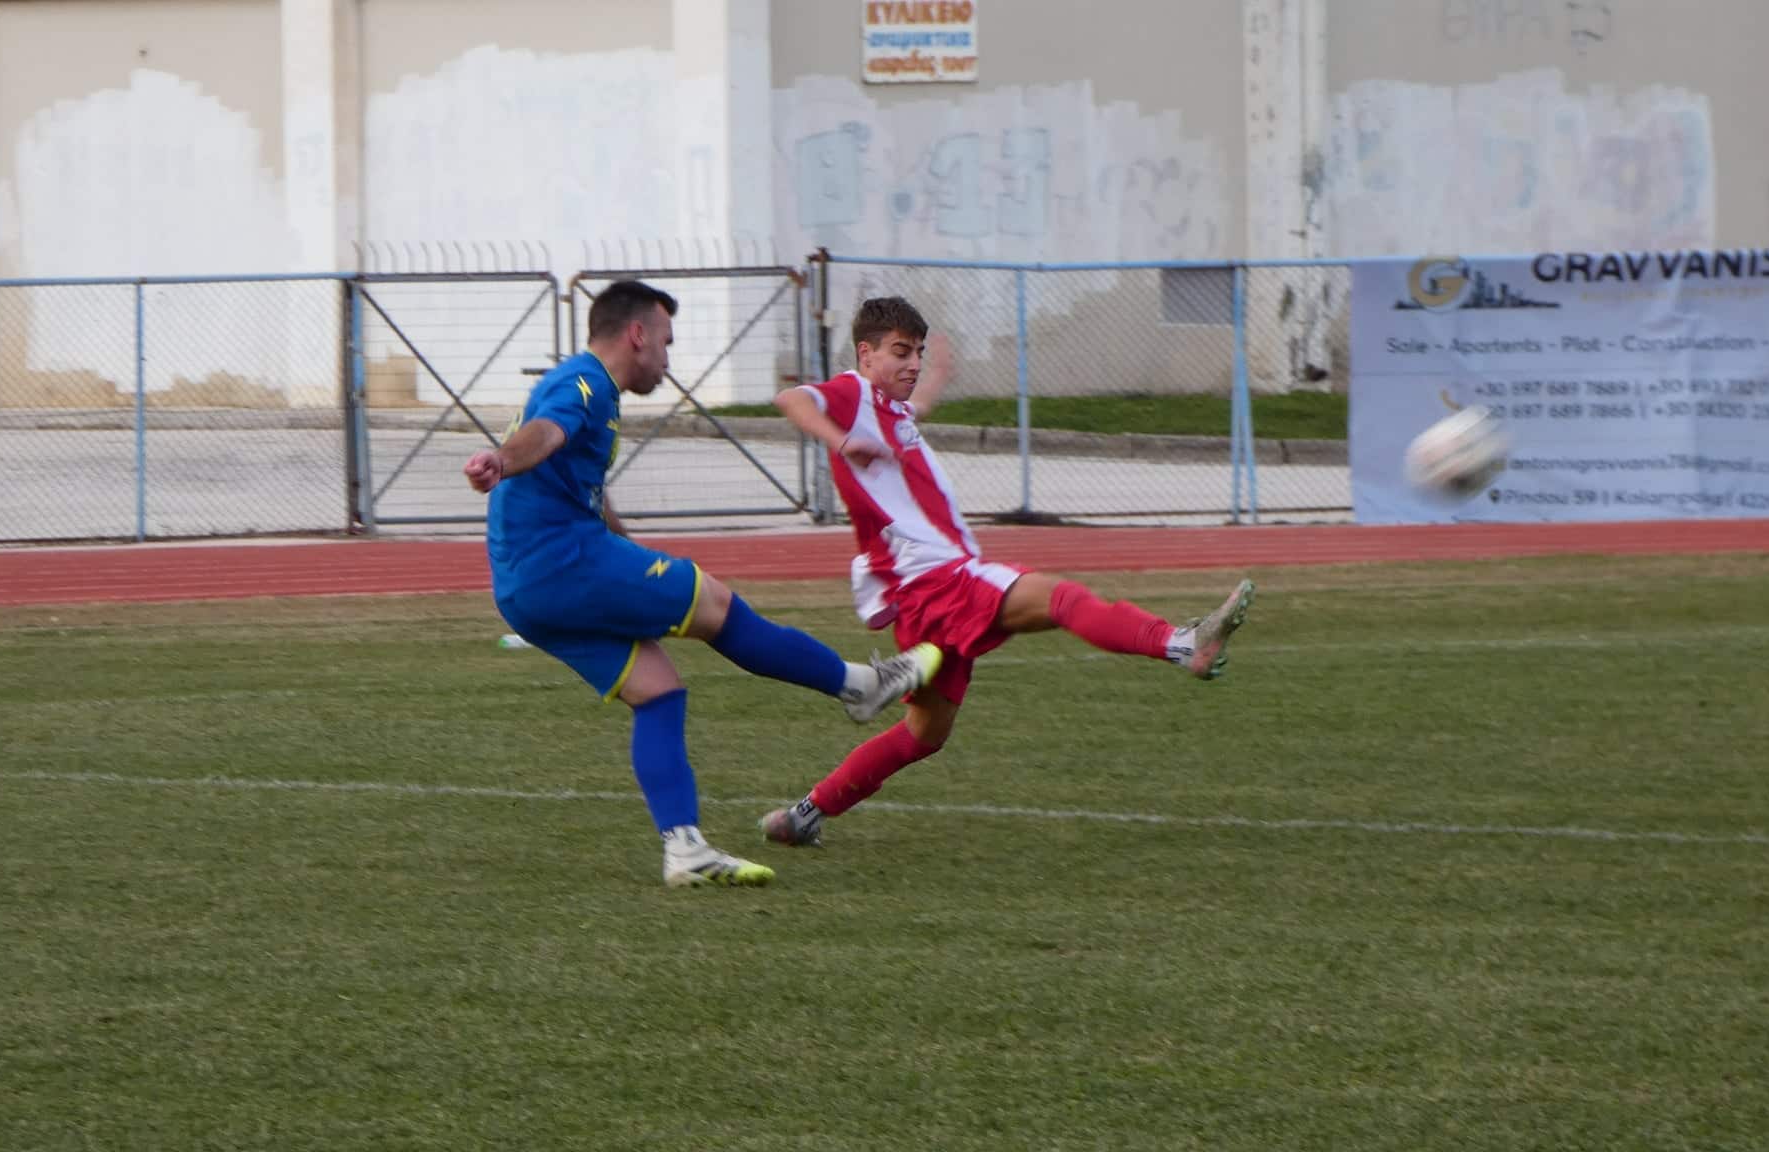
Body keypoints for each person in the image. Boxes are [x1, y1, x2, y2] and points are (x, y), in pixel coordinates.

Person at [463, 280, 942, 888]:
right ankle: (860, 686)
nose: (668, 357)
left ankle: (685, 851)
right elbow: (545, 435)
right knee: (712, 601)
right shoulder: (583, 383)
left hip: (525, 590)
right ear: (637, 335)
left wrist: (626, 550)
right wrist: (502, 460)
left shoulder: (585, 389)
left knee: (657, 691)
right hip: (561, 563)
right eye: (666, 341)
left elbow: (580, 484)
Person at [759, 296, 1254, 847]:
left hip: (923, 593)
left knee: (925, 734)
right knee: (1061, 598)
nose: (912, 363)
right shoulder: (852, 393)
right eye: (901, 352)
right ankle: (1183, 644)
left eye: (918, 352)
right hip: (939, 580)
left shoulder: (890, 409)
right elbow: (792, 399)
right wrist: (840, 440)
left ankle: (806, 813)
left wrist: (937, 376)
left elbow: (914, 406)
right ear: (865, 353)